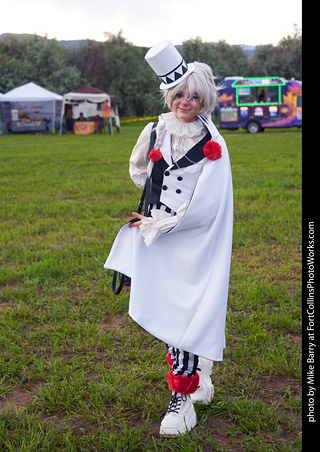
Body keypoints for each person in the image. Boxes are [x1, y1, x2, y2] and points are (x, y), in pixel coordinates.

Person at [104, 40, 233, 436]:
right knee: (170, 311)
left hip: (192, 240)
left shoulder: (213, 145)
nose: (185, 102)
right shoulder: (157, 130)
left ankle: (183, 399)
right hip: (159, 238)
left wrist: (166, 222)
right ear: (170, 94)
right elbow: (143, 175)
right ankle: (201, 372)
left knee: (186, 314)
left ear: (205, 100)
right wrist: (150, 214)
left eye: (195, 96)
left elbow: (210, 201)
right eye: (179, 94)